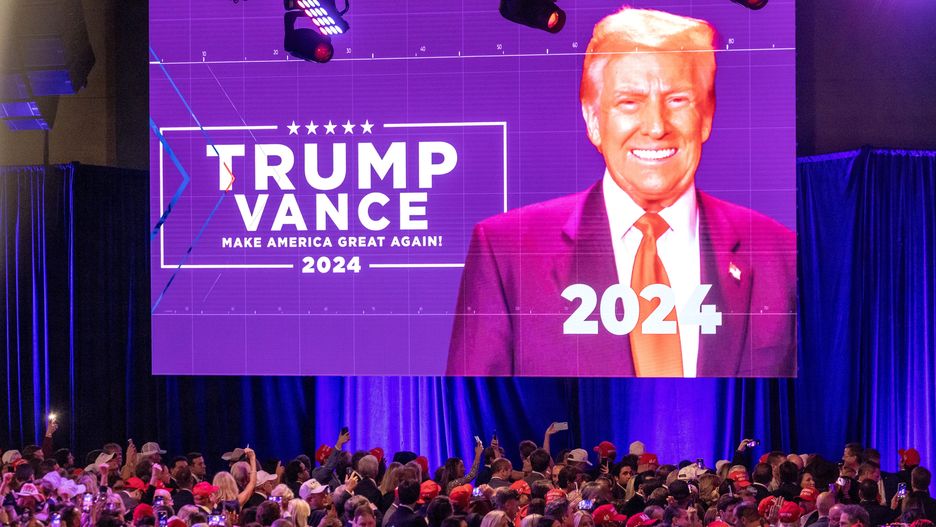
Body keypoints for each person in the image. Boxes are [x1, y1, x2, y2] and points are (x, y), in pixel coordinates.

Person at [446, 5, 795, 377]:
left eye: (677, 99)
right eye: (630, 102)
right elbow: (473, 394)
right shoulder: (507, 252)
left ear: (707, 115)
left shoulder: (780, 253)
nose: (656, 127)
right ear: (593, 120)